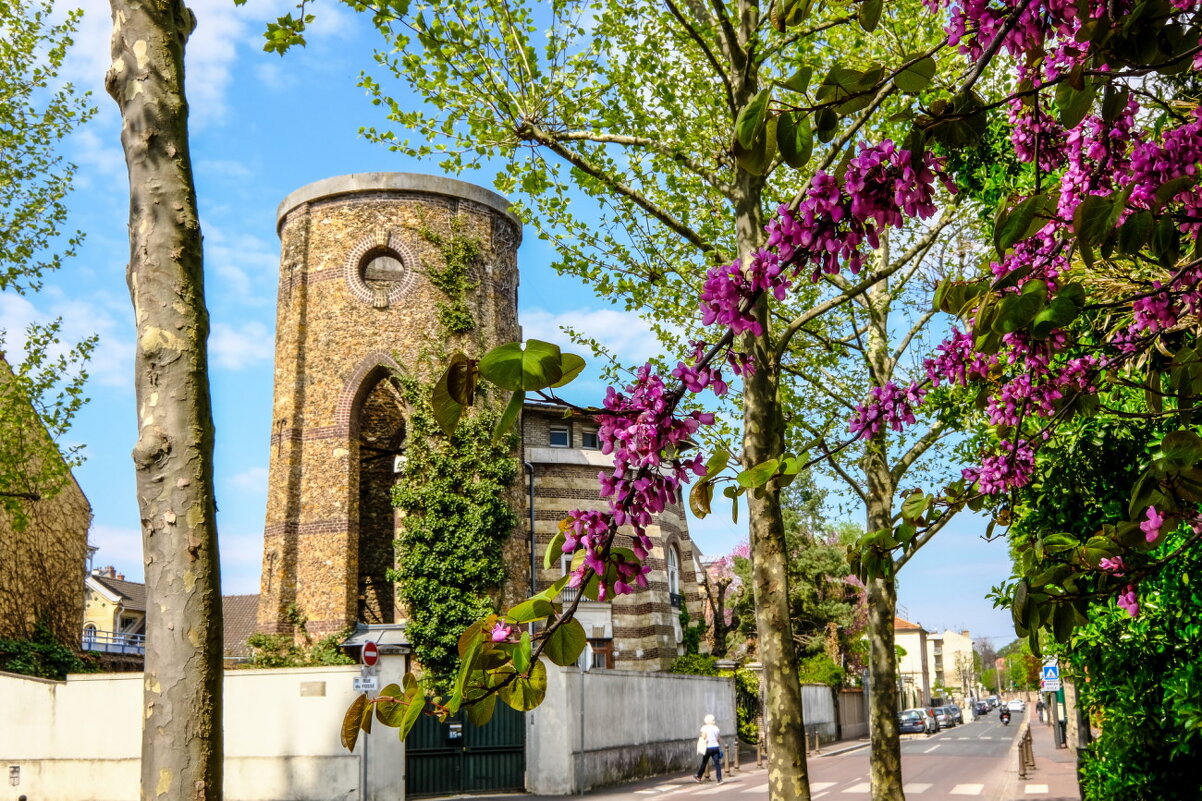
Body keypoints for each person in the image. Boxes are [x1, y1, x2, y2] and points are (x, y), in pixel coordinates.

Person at [694, 713, 723, 784]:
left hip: (708, 747)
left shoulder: (704, 728)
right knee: (717, 764)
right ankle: (719, 779)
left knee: (704, 762)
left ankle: (698, 777)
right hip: (715, 747)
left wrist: (702, 737)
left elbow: (703, 736)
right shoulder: (716, 728)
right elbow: (718, 739)